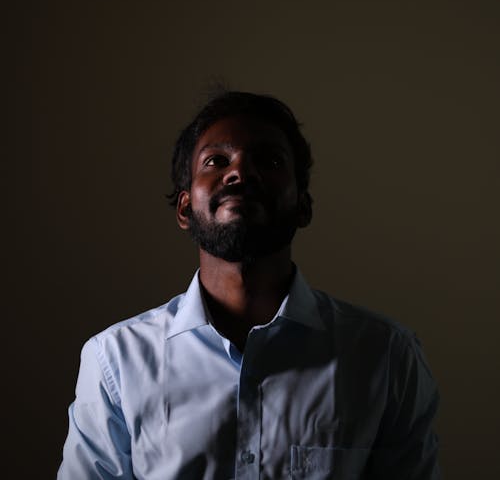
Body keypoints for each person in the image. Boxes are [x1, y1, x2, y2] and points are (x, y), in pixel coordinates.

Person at [58, 90, 441, 479]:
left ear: (303, 206)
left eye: (269, 160)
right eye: (216, 161)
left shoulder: (388, 358)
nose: (240, 172)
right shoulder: (116, 361)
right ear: (186, 208)